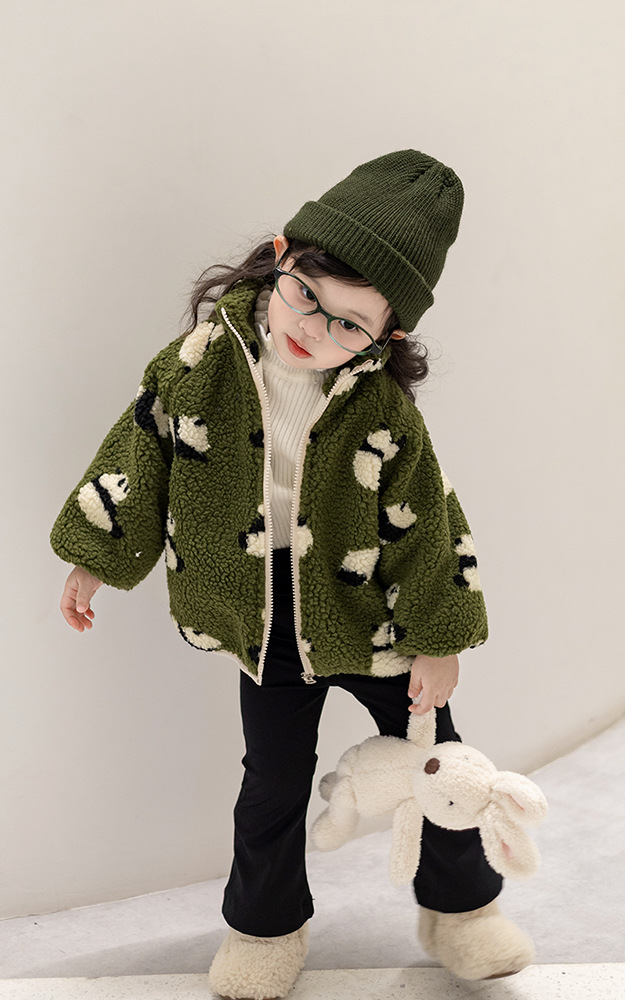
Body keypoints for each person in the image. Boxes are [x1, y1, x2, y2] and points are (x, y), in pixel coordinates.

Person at [51, 149, 534, 1000]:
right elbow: (142, 451)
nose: (314, 327)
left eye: (350, 324)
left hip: (369, 613)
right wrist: (95, 556)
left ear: (388, 336)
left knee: (439, 764)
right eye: (306, 293)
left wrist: (439, 640)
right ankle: (266, 928)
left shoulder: (382, 412)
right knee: (271, 783)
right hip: (261, 615)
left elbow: (425, 526)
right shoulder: (197, 364)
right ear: (281, 257)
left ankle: (460, 912)